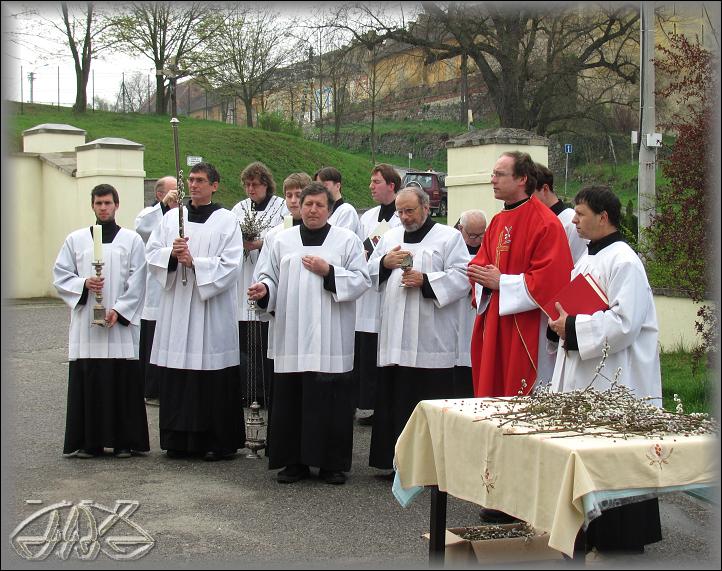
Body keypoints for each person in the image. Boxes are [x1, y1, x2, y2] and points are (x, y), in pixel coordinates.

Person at [548, 185, 662, 554]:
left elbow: (625, 323)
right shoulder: (589, 257)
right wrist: (565, 324)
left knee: (613, 457)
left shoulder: (624, 261)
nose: (575, 220)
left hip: (616, 376)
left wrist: (575, 327)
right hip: (586, 370)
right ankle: (589, 532)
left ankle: (620, 537)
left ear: (604, 217)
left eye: (580, 214)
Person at [248, 182, 370, 485]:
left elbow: (360, 280)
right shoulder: (282, 240)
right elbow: (268, 276)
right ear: (299, 207)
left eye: (319, 205)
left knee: (331, 400)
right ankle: (293, 462)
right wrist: (264, 290)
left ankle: (331, 463)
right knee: (292, 399)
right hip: (292, 333)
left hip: (331, 333)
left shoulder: (347, 240)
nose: (313, 210)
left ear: (329, 209)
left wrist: (329, 271)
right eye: (308, 204)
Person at [146, 162, 245, 461]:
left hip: (210, 310)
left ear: (215, 185)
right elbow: (151, 254)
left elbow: (232, 264)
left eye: (201, 180)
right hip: (177, 307)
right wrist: (172, 257)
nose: (194, 185)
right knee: (179, 375)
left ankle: (216, 441)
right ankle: (178, 440)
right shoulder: (172, 219)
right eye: (191, 180)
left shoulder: (227, 221)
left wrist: (195, 263)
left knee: (211, 376)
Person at [368, 186, 470, 474]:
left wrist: (426, 280)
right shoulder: (390, 237)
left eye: (410, 210)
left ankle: (429, 466)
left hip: (430, 336)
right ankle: (395, 461)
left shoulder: (449, 238)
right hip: (395, 334)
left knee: (426, 400)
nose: (404, 217)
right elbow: (367, 273)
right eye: (400, 211)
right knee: (394, 397)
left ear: (426, 207)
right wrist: (384, 264)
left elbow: (463, 277)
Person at [53, 183, 149, 458]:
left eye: (108, 203)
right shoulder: (76, 239)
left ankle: (123, 441)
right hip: (87, 326)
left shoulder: (131, 240)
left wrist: (119, 311)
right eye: (99, 203)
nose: (103, 208)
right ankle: (89, 441)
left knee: (121, 381)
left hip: (118, 325)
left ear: (117, 205)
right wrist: (84, 284)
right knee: (90, 379)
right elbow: (61, 275)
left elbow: (138, 280)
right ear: (92, 206)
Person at [468, 151, 574, 398]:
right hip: (495, 322)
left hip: (525, 327)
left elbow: (552, 280)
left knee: (522, 398)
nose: (493, 180)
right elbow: (480, 265)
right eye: (493, 174)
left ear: (522, 179)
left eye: (500, 174)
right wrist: (479, 277)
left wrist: (501, 282)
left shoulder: (545, 223)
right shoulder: (496, 221)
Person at [231, 162, 287, 407]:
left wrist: (260, 244)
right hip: (243, 275)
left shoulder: (281, 207)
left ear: (266, 184)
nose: (250, 189)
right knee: (244, 341)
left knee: (262, 342)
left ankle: (264, 392)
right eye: (247, 184)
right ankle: (246, 390)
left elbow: (284, 239)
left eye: (255, 184)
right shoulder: (239, 208)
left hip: (267, 277)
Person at [354, 164, 403, 426]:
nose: (371, 186)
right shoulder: (369, 216)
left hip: (387, 289)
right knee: (367, 349)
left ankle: (383, 404)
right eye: (371, 181)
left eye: (376, 182)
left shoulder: (401, 215)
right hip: (367, 287)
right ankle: (369, 402)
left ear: (391, 186)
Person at [134, 176, 178, 404]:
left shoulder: (180, 217)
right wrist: (163, 208)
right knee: (152, 341)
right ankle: (151, 388)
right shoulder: (149, 213)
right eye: (172, 192)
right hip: (154, 289)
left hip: (175, 288)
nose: (177, 196)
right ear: (160, 194)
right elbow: (141, 228)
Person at [452, 209, 488, 398]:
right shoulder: (451, 246)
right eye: (472, 235)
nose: (476, 239)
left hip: (476, 313)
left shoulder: (489, 248)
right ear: (460, 228)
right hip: (455, 311)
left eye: (481, 234)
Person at [533, 163, 588, 263]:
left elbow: (579, 265)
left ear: (545, 189)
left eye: (529, 195)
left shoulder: (571, 222)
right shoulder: (535, 222)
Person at [314, 166, 362, 238]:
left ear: (337, 186)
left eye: (325, 185)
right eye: (318, 186)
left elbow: (342, 242)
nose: (320, 189)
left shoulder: (347, 211)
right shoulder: (322, 212)